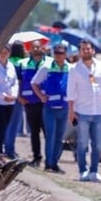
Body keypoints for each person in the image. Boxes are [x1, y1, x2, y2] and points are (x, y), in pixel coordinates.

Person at [66, 39, 101, 182]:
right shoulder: (74, 69)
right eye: (83, 49)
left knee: (97, 145)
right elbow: (70, 91)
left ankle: (94, 171)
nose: (86, 51)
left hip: (97, 111)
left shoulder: (100, 66)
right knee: (82, 144)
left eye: (88, 49)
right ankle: (83, 171)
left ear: (93, 50)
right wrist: (71, 111)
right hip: (82, 112)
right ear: (80, 52)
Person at [32, 43, 71, 173]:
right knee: (50, 136)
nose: (59, 56)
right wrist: (41, 96)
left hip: (64, 107)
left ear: (65, 54)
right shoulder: (46, 67)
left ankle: (55, 163)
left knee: (60, 137)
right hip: (50, 108)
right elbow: (34, 83)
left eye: (61, 53)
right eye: (57, 53)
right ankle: (48, 164)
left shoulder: (70, 68)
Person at [18, 41, 48, 167]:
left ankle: (50, 159)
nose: (36, 49)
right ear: (30, 49)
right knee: (34, 132)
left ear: (42, 48)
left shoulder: (49, 63)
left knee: (48, 132)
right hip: (29, 102)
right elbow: (19, 81)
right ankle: (36, 157)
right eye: (34, 47)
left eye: (38, 47)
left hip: (44, 103)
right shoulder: (23, 63)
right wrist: (19, 96)